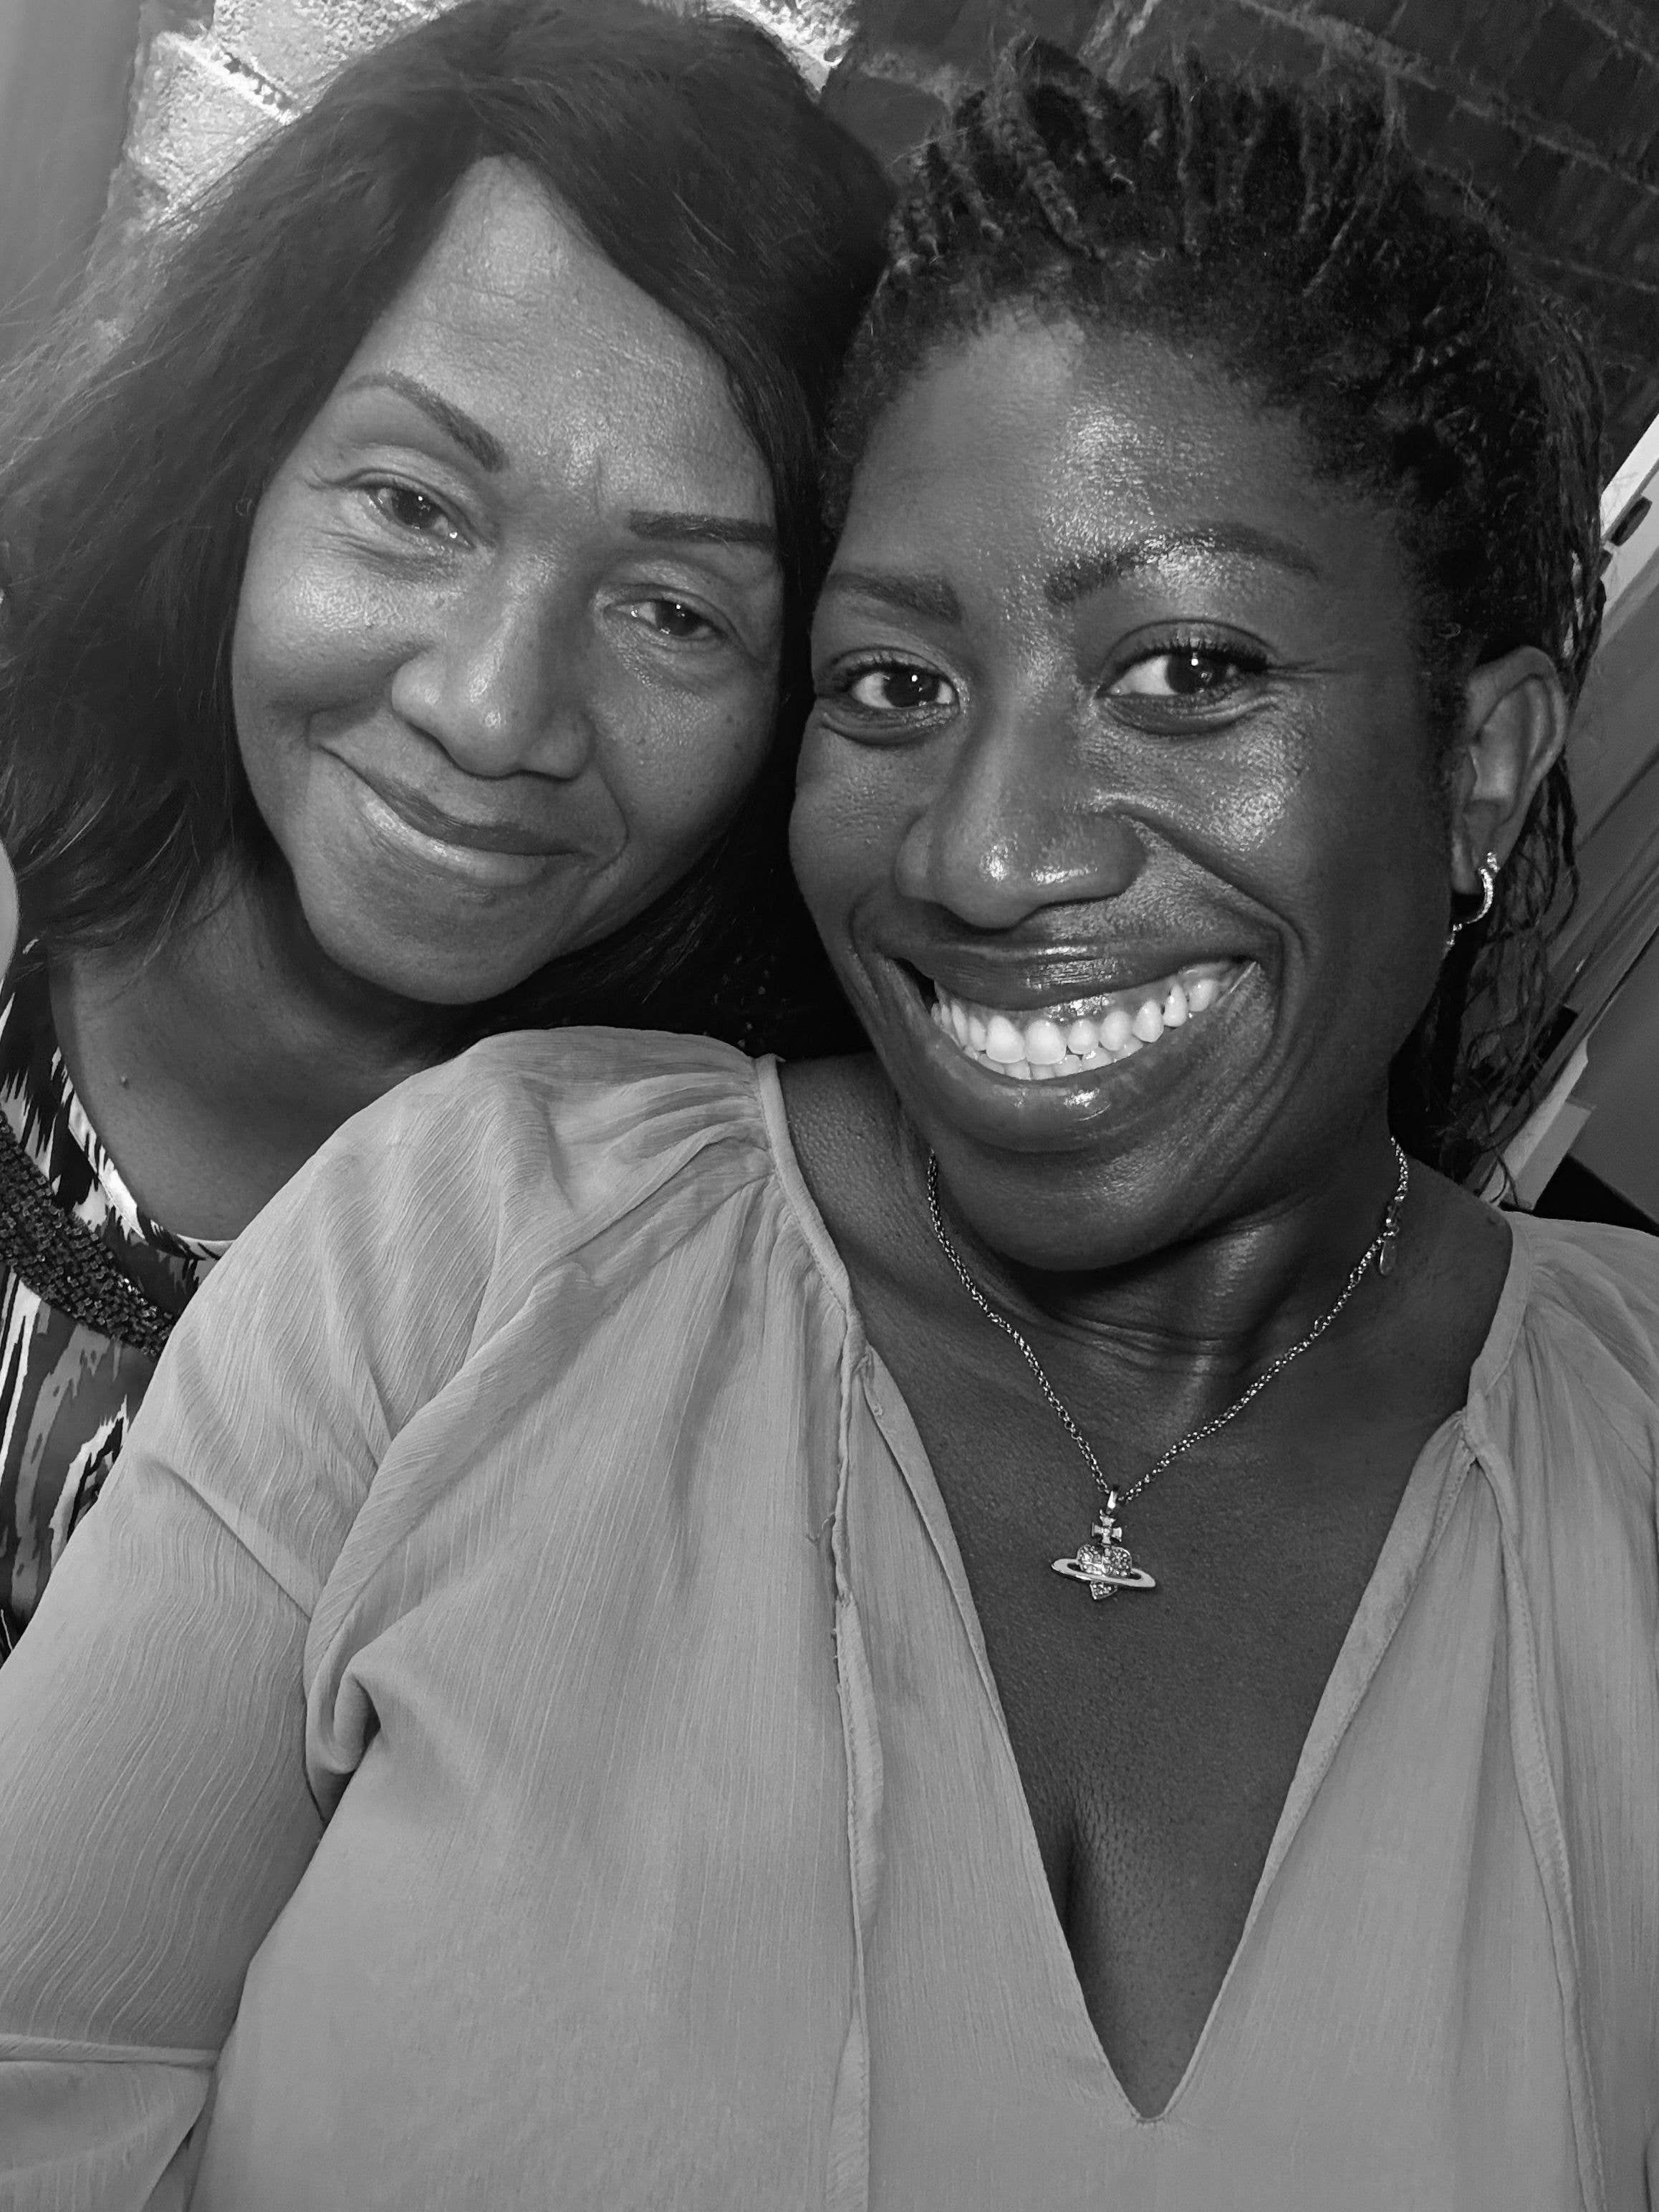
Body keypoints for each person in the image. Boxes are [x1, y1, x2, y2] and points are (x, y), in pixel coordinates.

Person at [2, 44, 1654, 2211]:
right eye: (897, 683)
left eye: (1186, 667)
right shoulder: (480, 1236)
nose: (984, 853)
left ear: (1484, 763)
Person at [0, 0, 888, 1652]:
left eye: (675, 611)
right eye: (413, 505)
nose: (490, 709)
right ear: (243, 467)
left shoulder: (712, 1296)